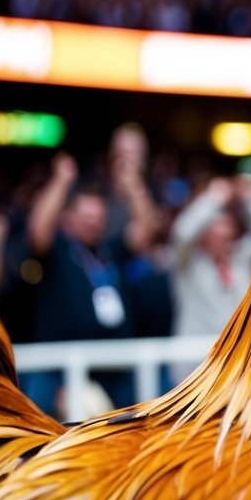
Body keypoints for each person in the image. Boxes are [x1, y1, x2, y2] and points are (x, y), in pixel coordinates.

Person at [17, 152, 157, 417]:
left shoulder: (109, 251)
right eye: (86, 215)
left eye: (98, 216)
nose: (93, 222)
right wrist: (61, 180)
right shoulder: (56, 251)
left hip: (115, 370)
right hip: (57, 372)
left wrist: (132, 184)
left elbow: (146, 228)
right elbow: (37, 230)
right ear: (68, 217)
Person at [169, 174, 251, 384]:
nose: (223, 233)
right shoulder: (189, 265)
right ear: (204, 233)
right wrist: (212, 198)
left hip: (238, 365)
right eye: (217, 227)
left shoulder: (241, 260)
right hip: (195, 367)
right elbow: (182, 233)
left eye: (228, 227)